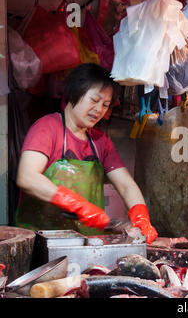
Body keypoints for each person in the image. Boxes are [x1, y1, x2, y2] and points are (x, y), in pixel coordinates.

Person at [15, 63, 158, 244]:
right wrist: (76, 204)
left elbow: (126, 185)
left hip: (85, 244)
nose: (99, 110)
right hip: (40, 244)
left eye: (105, 105)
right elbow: (27, 177)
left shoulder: (100, 141)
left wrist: (141, 217)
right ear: (75, 93)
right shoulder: (47, 128)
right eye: (94, 100)